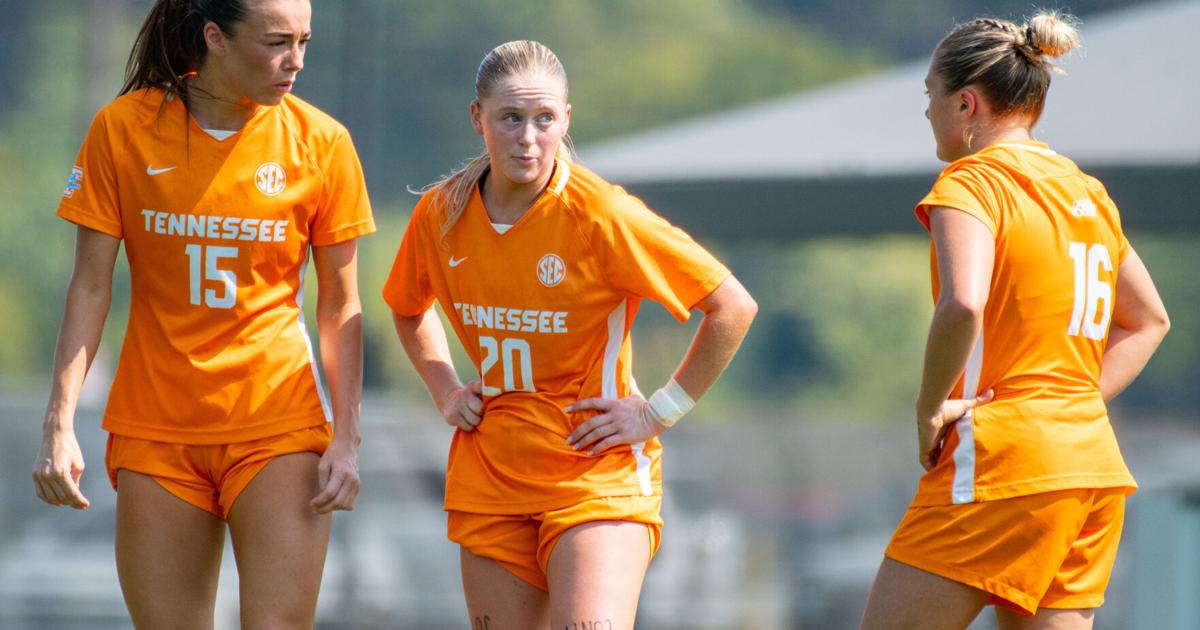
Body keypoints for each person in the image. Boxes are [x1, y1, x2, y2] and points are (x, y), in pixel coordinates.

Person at [384, 40, 757, 629]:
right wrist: (444, 389)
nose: (528, 138)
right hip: (492, 477)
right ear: (477, 117)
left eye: (544, 119)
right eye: (511, 118)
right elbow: (408, 308)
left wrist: (659, 412)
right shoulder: (440, 213)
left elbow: (731, 307)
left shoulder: (602, 214)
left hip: (594, 474)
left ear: (566, 119)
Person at [31, 0, 374, 627]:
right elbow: (90, 288)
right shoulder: (122, 128)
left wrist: (347, 437)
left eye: (304, 41)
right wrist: (59, 423)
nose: (295, 61)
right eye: (277, 42)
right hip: (156, 427)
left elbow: (340, 302)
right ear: (215, 37)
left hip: (277, 423)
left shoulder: (323, 143)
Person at [860, 11, 1170, 630]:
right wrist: (1067, 407)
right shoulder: (1087, 193)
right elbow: (1148, 321)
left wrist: (929, 410)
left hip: (1001, 463)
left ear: (966, 104)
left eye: (931, 94)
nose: (927, 111)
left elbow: (963, 303)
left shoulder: (970, 183)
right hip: (1090, 468)